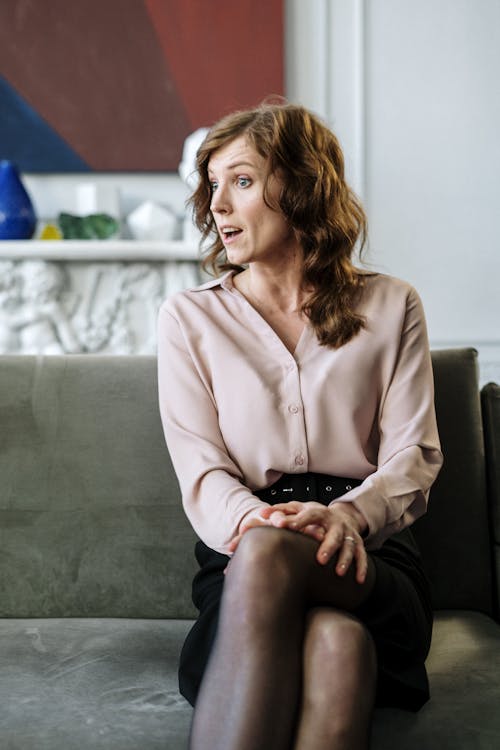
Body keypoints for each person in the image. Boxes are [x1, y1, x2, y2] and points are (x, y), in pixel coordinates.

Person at [157, 101, 443, 750]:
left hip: (366, 553)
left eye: (242, 180)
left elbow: (414, 456)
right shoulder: (189, 320)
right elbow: (201, 471)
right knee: (336, 643)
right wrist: (259, 524)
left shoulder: (393, 305)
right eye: (212, 185)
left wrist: (349, 515)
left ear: (303, 185)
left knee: (301, 583)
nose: (218, 205)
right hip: (244, 552)